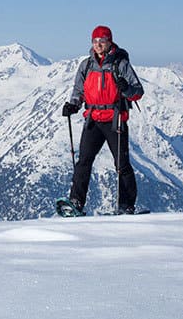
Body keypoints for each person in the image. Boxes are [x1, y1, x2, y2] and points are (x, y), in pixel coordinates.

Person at [61, 25, 144, 215]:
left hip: (115, 119)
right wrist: (73, 105)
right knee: (84, 161)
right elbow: (79, 90)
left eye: (102, 41)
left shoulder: (120, 64)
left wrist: (126, 89)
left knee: (121, 164)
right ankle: (76, 202)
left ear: (109, 42)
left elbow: (138, 92)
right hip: (93, 118)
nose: (98, 45)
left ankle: (126, 205)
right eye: (95, 41)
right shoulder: (87, 65)